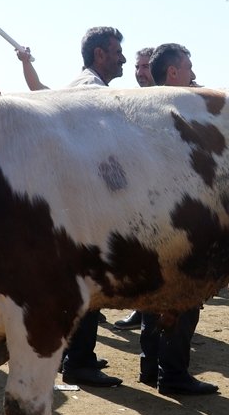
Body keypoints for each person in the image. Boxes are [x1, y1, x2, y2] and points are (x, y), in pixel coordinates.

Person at [133, 42, 219, 395]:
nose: (193, 74)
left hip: (144, 218)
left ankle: (150, 367)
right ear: (173, 72)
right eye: (188, 68)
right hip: (176, 219)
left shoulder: (139, 107)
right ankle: (172, 375)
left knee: (152, 295)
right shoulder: (179, 110)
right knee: (182, 296)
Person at [51, 27, 128, 388]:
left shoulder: (80, 87)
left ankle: (75, 355)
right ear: (100, 54)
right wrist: (122, 188)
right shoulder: (93, 93)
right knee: (90, 281)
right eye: (117, 52)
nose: (122, 58)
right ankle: (79, 361)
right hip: (88, 203)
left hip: (74, 201)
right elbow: (100, 152)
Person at [114, 46, 158, 332]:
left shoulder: (167, 99)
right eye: (137, 67)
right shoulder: (131, 100)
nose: (140, 72)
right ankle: (141, 311)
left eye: (145, 67)